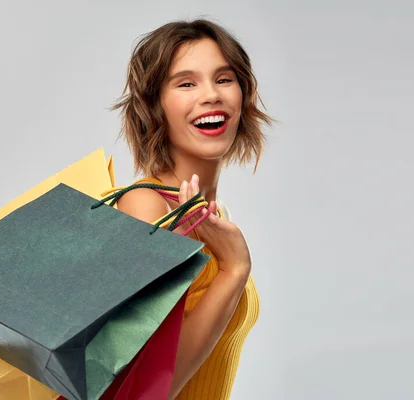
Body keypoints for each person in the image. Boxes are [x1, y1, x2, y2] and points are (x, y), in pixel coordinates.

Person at [112, 18, 274, 400]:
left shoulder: (216, 219)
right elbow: (146, 391)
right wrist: (233, 270)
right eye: (186, 83)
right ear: (155, 106)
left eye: (224, 78)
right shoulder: (144, 208)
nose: (211, 95)